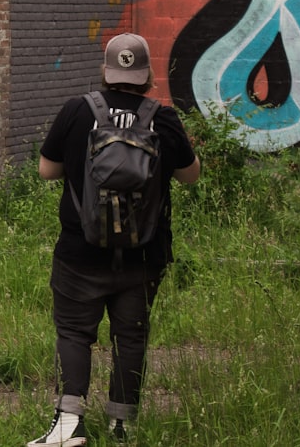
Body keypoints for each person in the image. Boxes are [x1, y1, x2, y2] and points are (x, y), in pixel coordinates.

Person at [27, 33, 201, 446]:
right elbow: (190, 175)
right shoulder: (164, 118)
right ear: (147, 76)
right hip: (143, 255)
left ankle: (69, 426)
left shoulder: (77, 110)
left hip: (79, 252)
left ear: (106, 71)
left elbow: (46, 171)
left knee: (73, 333)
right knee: (131, 335)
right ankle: (122, 425)